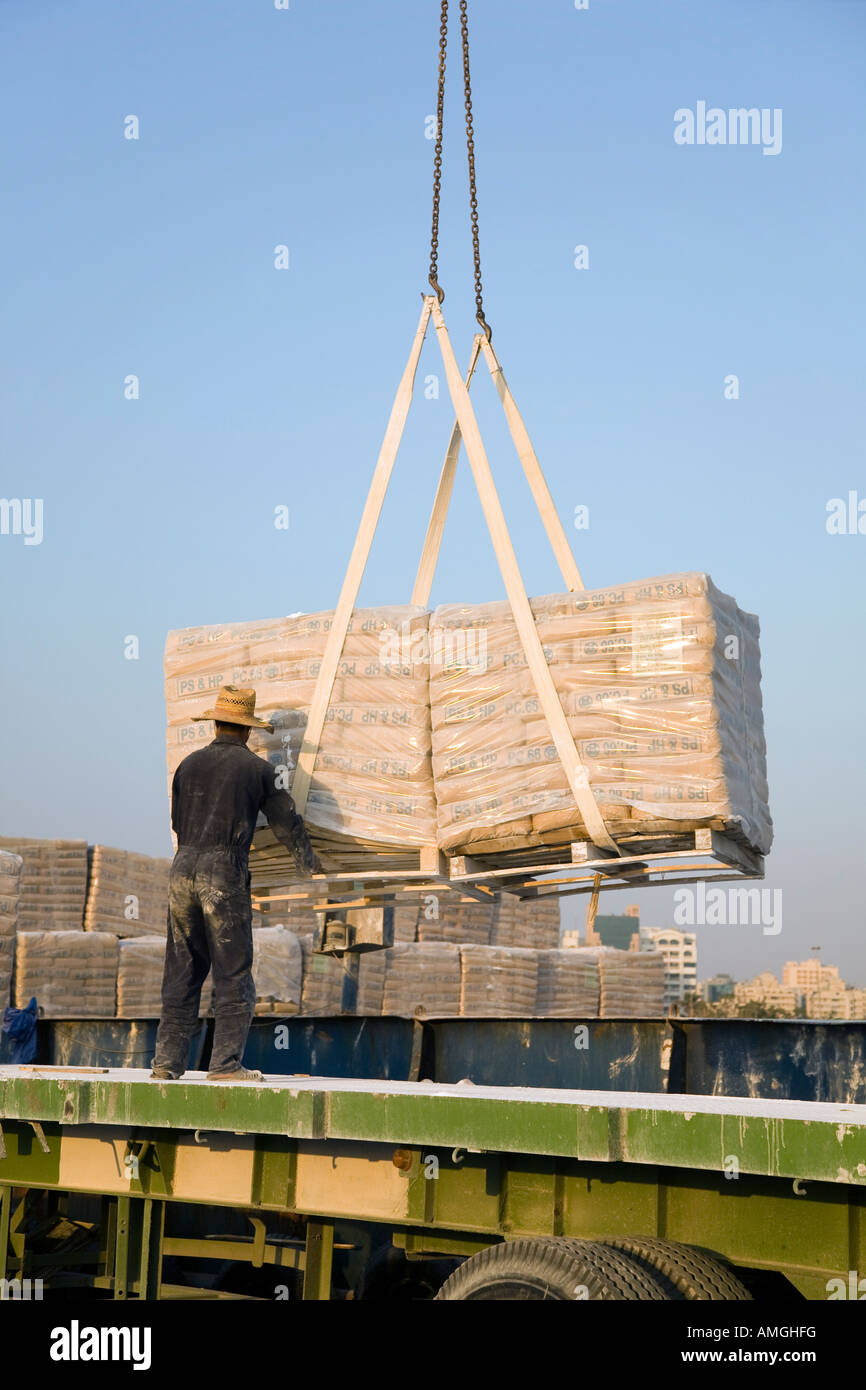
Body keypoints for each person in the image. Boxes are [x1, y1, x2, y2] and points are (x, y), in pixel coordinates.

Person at [151, 685, 319, 1082]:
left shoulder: (189, 764)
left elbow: (177, 822)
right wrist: (308, 862)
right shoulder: (257, 770)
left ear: (216, 723)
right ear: (246, 730)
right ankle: (225, 1066)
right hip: (222, 872)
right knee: (233, 970)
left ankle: (166, 1065)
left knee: (182, 969)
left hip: (182, 867)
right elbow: (285, 822)